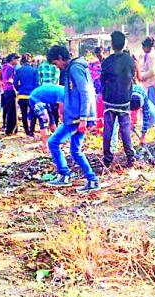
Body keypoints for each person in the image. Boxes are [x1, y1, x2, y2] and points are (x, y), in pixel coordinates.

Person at [46, 45, 100, 193]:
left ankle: (64, 175)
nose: (57, 67)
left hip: (77, 117)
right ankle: (92, 180)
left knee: (53, 142)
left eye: (56, 64)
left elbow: (86, 92)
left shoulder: (75, 68)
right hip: (78, 116)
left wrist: (83, 119)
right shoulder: (74, 68)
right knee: (75, 150)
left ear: (61, 58)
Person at [100, 31, 136, 168]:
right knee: (125, 130)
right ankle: (130, 157)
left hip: (109, 100)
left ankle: (107, 158)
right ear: (124, 43)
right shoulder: (129, 60)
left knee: (108, 130)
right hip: (124, 100)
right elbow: (132, 76)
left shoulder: (107, 62)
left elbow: (102, 80)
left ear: (112, 44)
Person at [29, 85, 64, 149]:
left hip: (45, 100)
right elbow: (61, 112)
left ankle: (57, 140)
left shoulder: (64, 91)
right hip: (36, 98)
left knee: (51, 120)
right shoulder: (63, 93)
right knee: (44, 119)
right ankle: (44, 145)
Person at [14, 54, 39, 136]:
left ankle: (26, 131)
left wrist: (19, 89)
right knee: (33, 113)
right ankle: (31, 130)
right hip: (32, 95)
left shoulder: (18, 70)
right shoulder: (34, 70)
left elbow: (15, 83)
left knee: (24, 113)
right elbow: (37, 83)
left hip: (22, 95)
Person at [1, 53, 20, 136]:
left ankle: (9, 129)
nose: (17, 61)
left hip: (5, 91)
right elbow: (10, 80)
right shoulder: (11, 68)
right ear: (12, 59)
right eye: (16, 59)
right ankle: (11, 129)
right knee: (12, 112)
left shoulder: (4, 67)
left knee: (9, 111)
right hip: (10, 90)